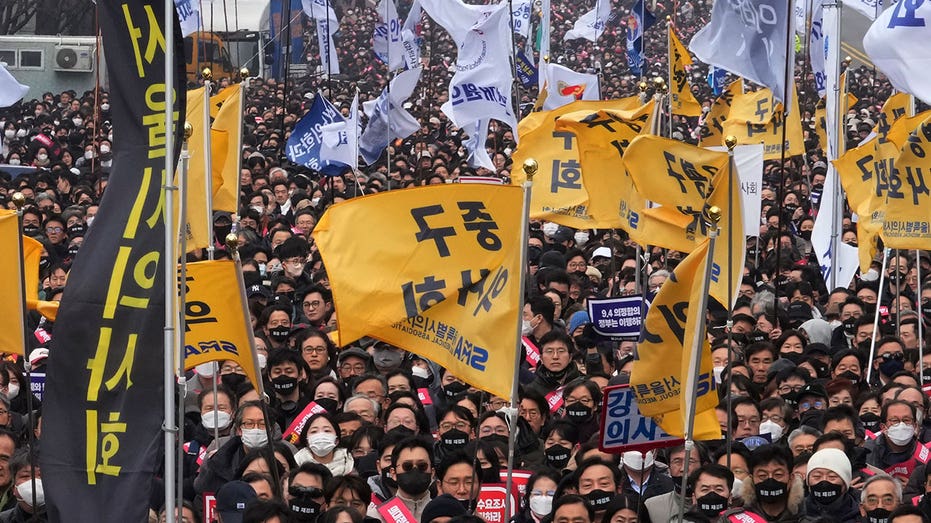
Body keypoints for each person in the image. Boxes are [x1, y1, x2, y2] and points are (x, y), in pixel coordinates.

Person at [366, 436, 434, 522]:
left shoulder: (445, 513)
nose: (415, 470)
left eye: (422, 466)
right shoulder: (375, 517)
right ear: (393, 473)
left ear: (432, 473)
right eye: (407, 466)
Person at [742, 444, 803, 522]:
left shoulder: (808, 516)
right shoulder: (736, 518)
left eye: (778, 474)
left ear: (791, 478)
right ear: (751, 478)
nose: (770, 480)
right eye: (762, 475)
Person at [801, 448, 860, 522]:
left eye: (832, 477)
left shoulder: (862, 513)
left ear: (845, 483)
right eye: (817, 476)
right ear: (808, 481)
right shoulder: (794, 514)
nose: (824, 481)